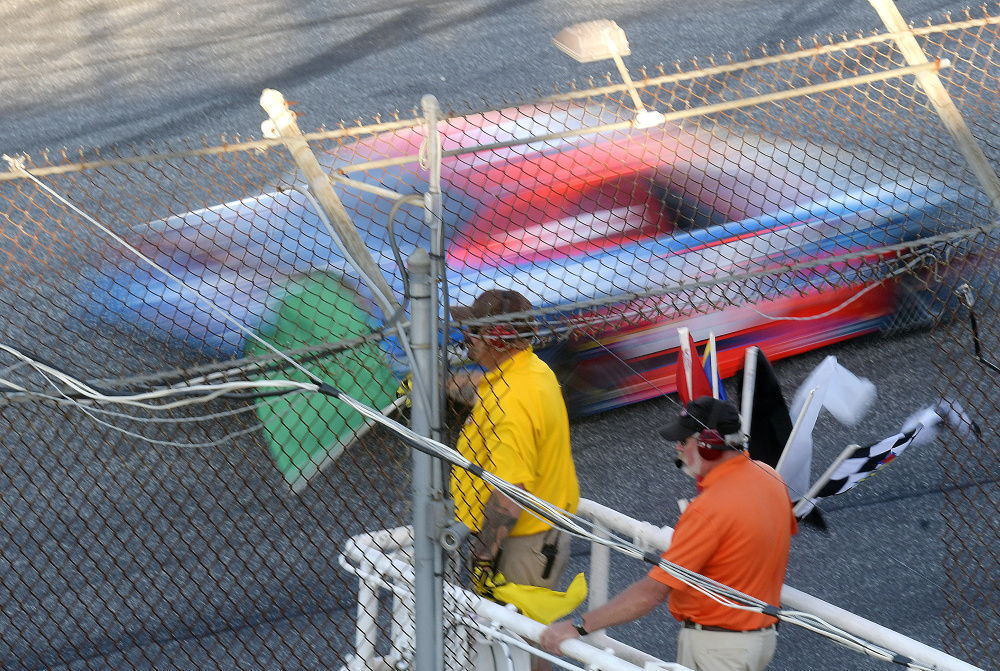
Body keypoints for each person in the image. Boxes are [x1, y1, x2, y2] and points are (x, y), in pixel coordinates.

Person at [539, 396, 797, 671]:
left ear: (708, 446)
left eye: (684, 441)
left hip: (718, 650)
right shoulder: (771, 477)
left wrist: (578, 626)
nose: (677, 448)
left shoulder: (707, 511)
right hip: (759, 641)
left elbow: (650, 594)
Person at [448, 289, 579, 592]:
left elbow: (509, 497)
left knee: (509, 638)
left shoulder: (510, 403)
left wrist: (482, 557)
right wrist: (439, 385)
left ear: (495, 339)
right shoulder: (529, 370)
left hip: (518, 549)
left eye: (474, 330)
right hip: (536, 538)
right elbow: (482, 387)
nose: (465, 335)